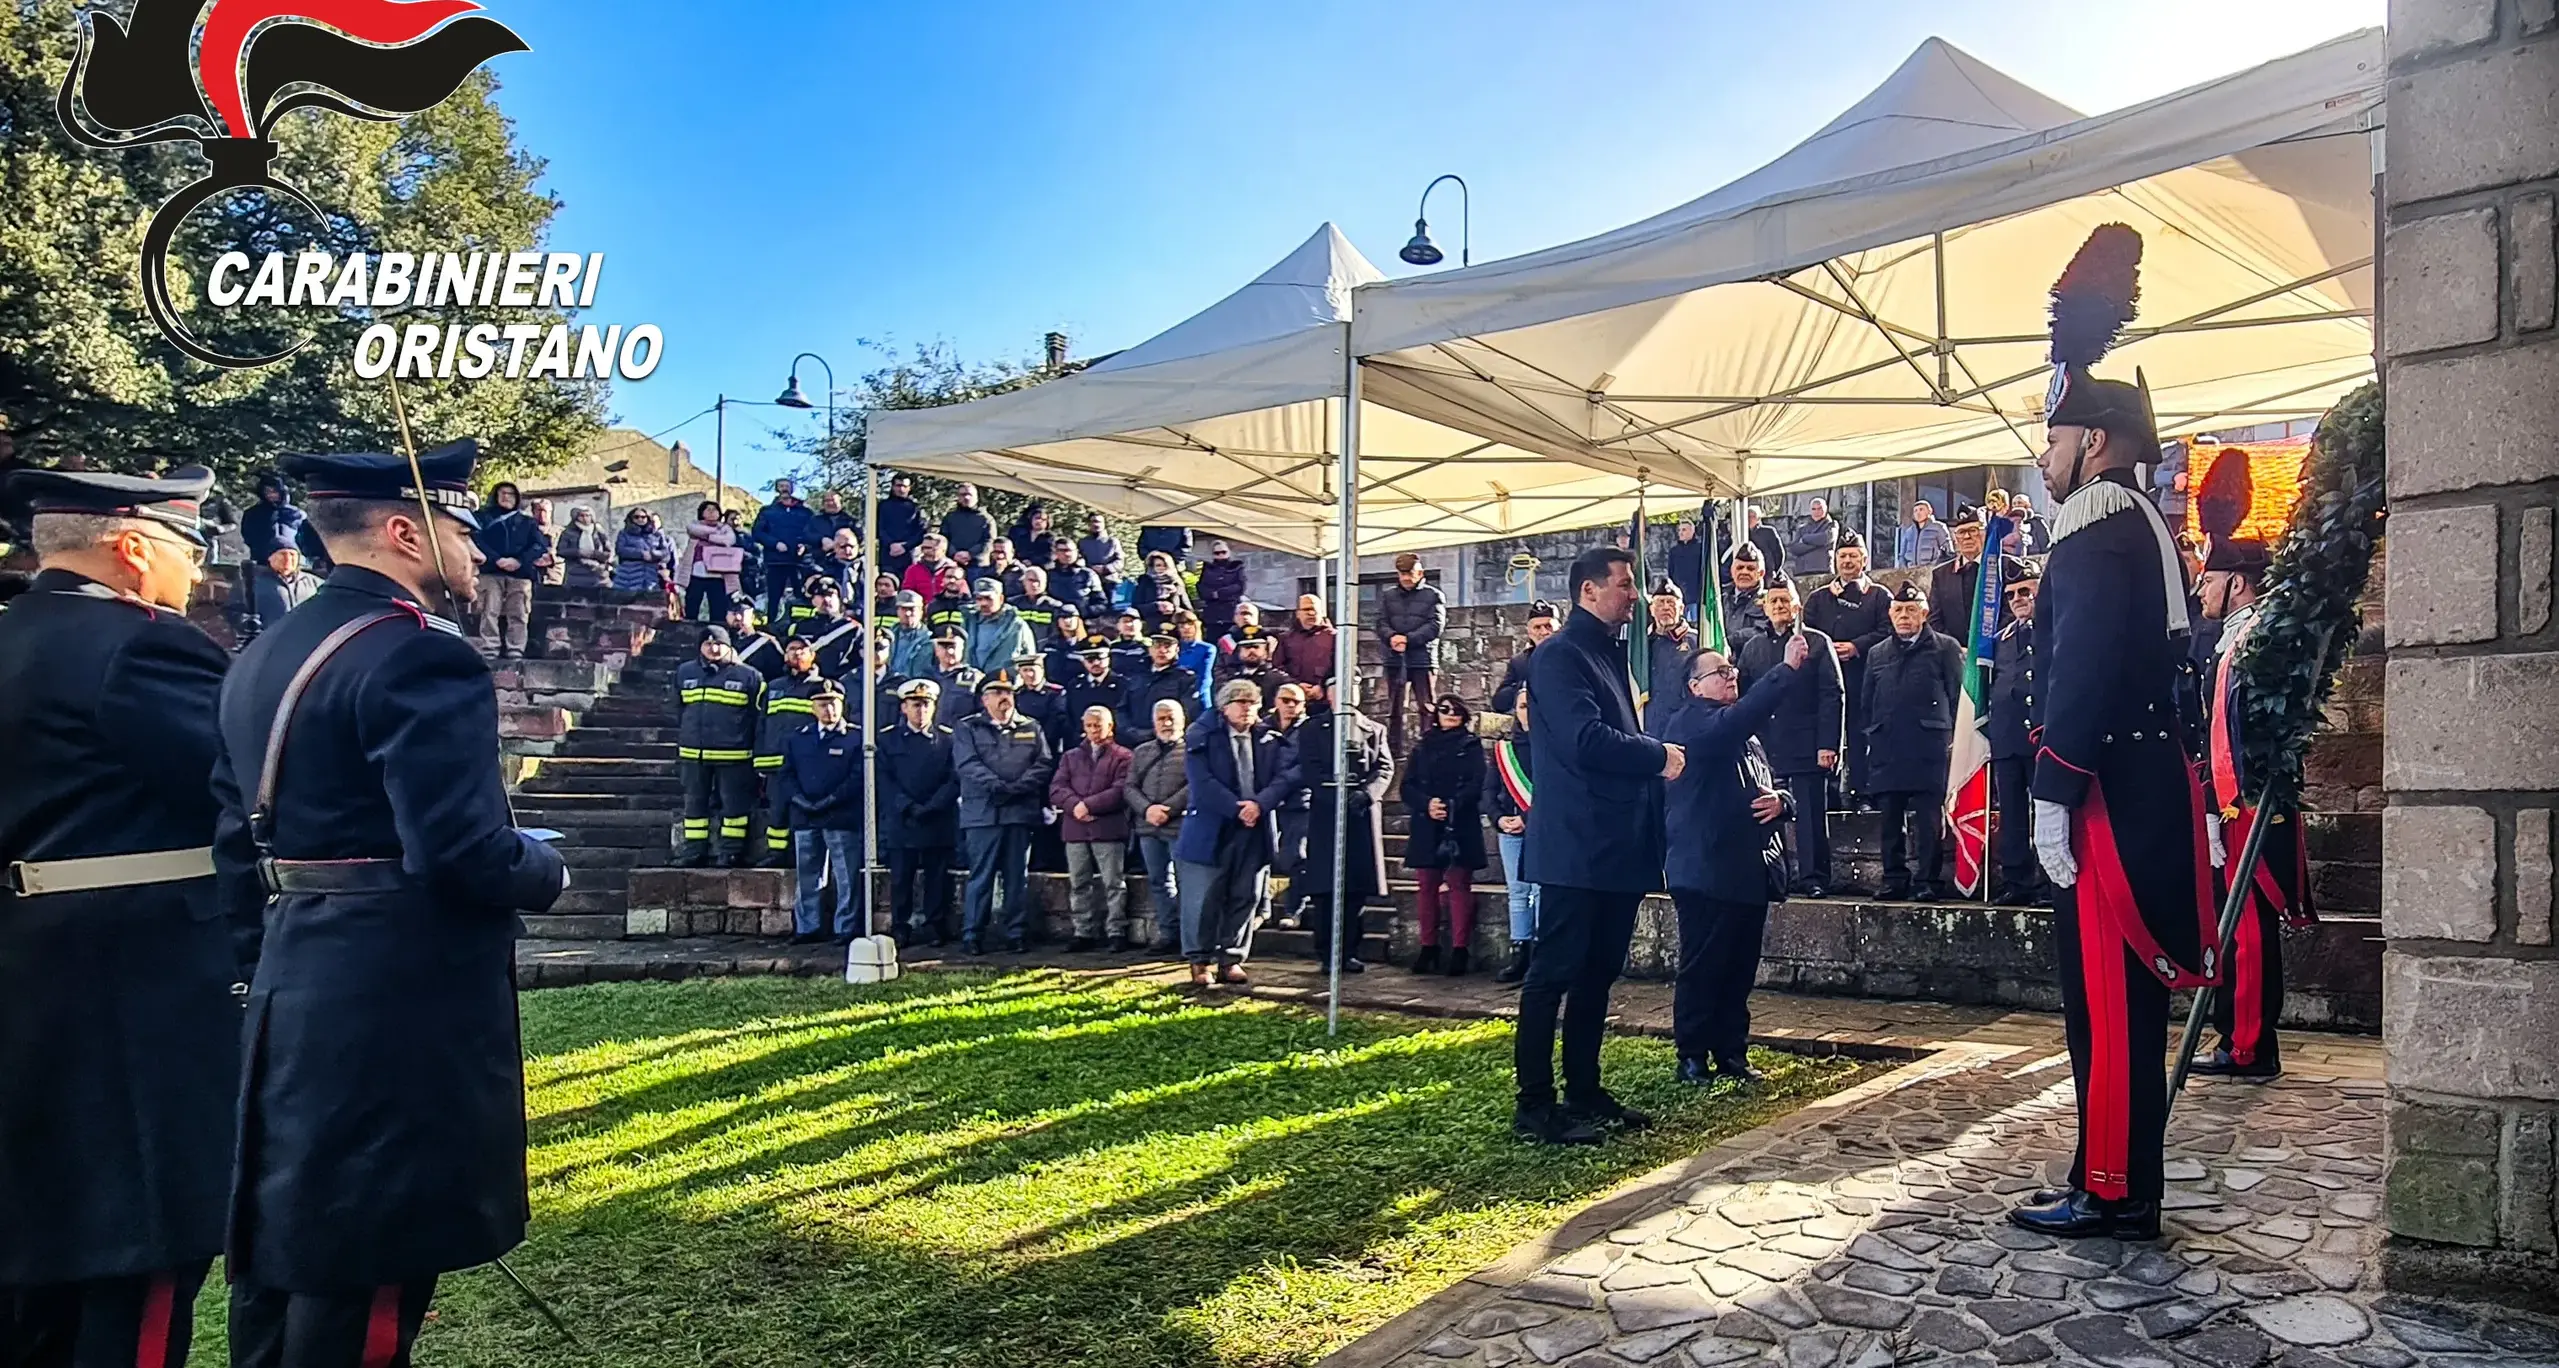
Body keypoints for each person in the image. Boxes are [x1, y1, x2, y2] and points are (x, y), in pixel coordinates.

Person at [210, 441, 566, 1367]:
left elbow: (231, 842)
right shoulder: (416, 658)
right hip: (391, 994)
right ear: (405, 531)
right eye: (461, 528)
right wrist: (543, 868)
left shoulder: (263, 654)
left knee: (290, 1242)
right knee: (369, 1257)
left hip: (296, 968)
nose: (477, 551)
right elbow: (459, 853)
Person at [0, 465, 255, 1368]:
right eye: (191, 549)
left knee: (40, 1245)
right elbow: (243, 788)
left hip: (32, 967)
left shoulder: (14, 635)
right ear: (135, 548)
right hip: (133, 984)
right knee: (142, 1243)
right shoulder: (142, 644)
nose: (198, 572)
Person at [2012, 235, 2214, 1240]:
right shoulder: (2136, 520)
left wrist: (2054, 786)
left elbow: (2085, 667)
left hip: (2106, 790)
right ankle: (2115, 1175)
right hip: (2138, 780)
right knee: (2115, 1000)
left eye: (2051, 442)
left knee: (2108, 996)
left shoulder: (2095, 520)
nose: (2043, 462)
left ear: (2091, 442)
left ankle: (2113, 1186)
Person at [1516, 545, 1678, 1146]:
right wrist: (1659, 755)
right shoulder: (1560, 655)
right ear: (1589, 591)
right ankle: (1534, 1104)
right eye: (1625, 585)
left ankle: (1583, 1088)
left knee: (1597, 975)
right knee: (1553, 974)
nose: (1634, 594)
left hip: (1614, 845)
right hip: (1575, 846)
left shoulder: (1606, 651)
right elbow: (1588, 740)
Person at [1658, 636, 1811, 1085]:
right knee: (1704, 965)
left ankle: (1731, 1052)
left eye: (1732, 670)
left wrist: (1784, 802)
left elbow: (1768, 783)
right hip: (1705, 868)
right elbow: (1737, 720)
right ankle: (1692, 1054)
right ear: (1694, 686)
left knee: (1739, 967)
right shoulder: (1690, 724)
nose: (1732, 676)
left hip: (1748, 868)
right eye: (1720, 672)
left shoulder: (1744, 735)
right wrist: (1784, 670)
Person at [2192, 529, 2307, 1081]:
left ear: (2236, 582)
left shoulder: (2258, 638)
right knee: (2232, 923)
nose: (2201, 590)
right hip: (2229, 796)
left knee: (2249, 926)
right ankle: (2237, 1033)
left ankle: (2249, 1045)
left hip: (2252, 798)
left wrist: (2228, 800)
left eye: (2209, 580)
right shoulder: (2234, 639)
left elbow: (2259, 730)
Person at [1172, 679, 1294, 988]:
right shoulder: (1202, 734)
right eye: (1241, 702)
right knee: (1204, 898)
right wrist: (1237, 808)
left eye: (1253, 703)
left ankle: (1232, 958)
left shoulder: (1268, 737)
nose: (1248, 709)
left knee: (1247, 894)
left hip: (1255, 829)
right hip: (1214, 828)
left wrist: (1260, 804)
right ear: (1224, 707)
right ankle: (1200, 960)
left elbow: (1285, 777)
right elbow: (1202, 782)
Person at [1735, 580, 1844, 896]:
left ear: (1797, 606)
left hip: (1808, 744)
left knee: (1809, 816)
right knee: (1769, 812)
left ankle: (1813, 878)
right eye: (1774, 601)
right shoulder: (1754, 648)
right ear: (1765, 608)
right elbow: (1745, 698)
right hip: (1768, 746)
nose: (1780, 606)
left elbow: (1832, 694)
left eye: (1785, 600)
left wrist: (1828, 744)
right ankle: (1776, 875)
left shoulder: (1817, 642)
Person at [1283, 679, 1393, 974]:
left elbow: (1384, 767)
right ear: (1330, 696)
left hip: (1360, 817)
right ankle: (1327, 953)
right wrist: (1335, 795)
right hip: (1326, 816)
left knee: (1354, 890)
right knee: (1325, 888)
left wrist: (1366, 794)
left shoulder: (1374, 729)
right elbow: (1311, 767)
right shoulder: (1313, 729)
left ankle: (1350, 951)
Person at [1864, 583, 1964, 901]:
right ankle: (1894, 878)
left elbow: (1957, 694)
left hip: (1928, 748)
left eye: (1910, 610)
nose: (1904, 616)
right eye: (1898, 610)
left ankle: (1927, 881)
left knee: (1928, 820)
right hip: (1889, 747)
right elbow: (1867, 703)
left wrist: (1953, 740)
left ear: (1924, 612)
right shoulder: (1877, 653)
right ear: (1890, 614)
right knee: (1890, 819)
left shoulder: (1945, 648)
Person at [951, 675, 1054, 954]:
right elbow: (967, 764)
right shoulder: (968, 727)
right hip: (983, 814)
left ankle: (1016, 933)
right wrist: (997, 786)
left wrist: (1018, 787)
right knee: (981, 877)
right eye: (996, 692)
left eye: (1008, 691)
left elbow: (1043, 763)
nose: (1004, 697)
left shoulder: (1031, 727)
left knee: (1016, 877)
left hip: (1019, 813)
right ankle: (973, 934)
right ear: (984, 699)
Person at [774, 678, 868, 944]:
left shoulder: (855, 737)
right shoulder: (798, 738)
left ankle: (845, 927)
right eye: (823, 704)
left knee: (846, 875)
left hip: (839, 814)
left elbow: (857, 776)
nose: (829, 710)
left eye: (834, 703)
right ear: (812, 708)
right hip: (805, 815)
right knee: (808, 875)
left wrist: (831, 799)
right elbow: (786, 774)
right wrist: (799, 800)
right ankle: (808, 927)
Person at [1803, 533, 1891, 810]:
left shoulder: (1879, 596)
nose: (1848, 561)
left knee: (1861, 736)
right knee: (1828, 735)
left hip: (1864, 678)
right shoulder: (1818, 599)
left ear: (1864, 559)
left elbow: (1888, 632)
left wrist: (1856, 646)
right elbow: (1806, 634)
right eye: (1843, 556)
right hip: (1826, 681)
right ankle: (1831, 795)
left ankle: (1863, 794)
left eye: (1853, 555)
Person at [1403, 694, 1488, 976]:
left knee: (1458, 883)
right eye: (1444, 710)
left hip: (1458, 823)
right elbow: (1408, 786)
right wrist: (1427, 805)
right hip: (1427, 822)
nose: (1450, 714)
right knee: (1426, 885)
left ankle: (1460, 949)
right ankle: (1428, 947)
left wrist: (1451, 806)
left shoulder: (1471, 745)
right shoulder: (1423, 746)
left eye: (1455, 710)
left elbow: (1477, 782)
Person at [675, 625, 766, 867]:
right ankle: (694, 851)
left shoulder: (750, 676)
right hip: (694, 755)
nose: (714, 649)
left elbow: (759, 719)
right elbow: (677, 709)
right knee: (694, 806)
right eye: (708, 644)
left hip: (734, 755)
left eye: (719, 644)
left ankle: (731, 852)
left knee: (734, 807)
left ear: (729, 646)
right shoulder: (685, 672)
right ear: (700, 647)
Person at [878, 678, 959, 945]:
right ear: (904, 708)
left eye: (926, 705)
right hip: (904, 821)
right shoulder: (888, 739)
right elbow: (883, 778)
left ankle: (934, 925)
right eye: (915, 705)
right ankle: (901, 925)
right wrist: (908, 806)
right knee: (902, 878)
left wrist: (933, 806)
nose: (921, 710)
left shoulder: (948, 740)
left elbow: (954, 778)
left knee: (937, 878)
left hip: (937, 819)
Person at [1986, 561, 2046, 907]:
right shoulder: (2002, 638)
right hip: (2007, 737)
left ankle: (2048, 881)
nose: (2018, 599)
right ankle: (2016, 879)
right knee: (2011, 812)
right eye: (2010, 595)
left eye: (2025, 591)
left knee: (2047, 811)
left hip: (2040, 734)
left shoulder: (2051, 629)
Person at [1051, 706, 1135, 951]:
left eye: (1099, 724)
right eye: (1089, 725)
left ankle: (1117, 931)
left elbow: (1121, 790)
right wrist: (1074, 805)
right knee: (1079, 883)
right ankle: (1083, 932)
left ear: (1111, 726)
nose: (1093, 730)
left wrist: (1087, 806)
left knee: (1114, 883)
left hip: (1108, 828)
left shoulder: (1124, 757)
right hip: (1075, 830)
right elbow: (1056, 788)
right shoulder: (1070, 756)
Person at [755, 636, 828, 864]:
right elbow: (762, 724)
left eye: (802, 650)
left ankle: (804, 856)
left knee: (804, 810)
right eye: (791, 649)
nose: (796, 654)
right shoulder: (774, 687)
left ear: (812, 655)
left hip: (809, 764)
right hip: (776, 761)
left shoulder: (824, 687)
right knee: (777, 811)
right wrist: (760, 757)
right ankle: (776, 853)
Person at [1125, 699, 1191, 950]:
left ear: (1182, 720)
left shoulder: (1192, 749)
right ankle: (1168, 933)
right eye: (1161, 718)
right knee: (1158, 881)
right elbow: (1129, 786)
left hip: (1179, 825)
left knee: (1186, 883)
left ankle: (1189, 937)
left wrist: (1169, 809)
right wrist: (1146, 809)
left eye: (1171, 717)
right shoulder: (1141, 752)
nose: (1166, 723)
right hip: (1147, 827)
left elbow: (1195, 785)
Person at [1484, 691, 1539, 985]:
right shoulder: (1503, 751)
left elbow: (1555, 790)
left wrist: (1527, 819)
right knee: (1517, 892)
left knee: (1540, 890)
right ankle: (1520, 950)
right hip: (1509, 828)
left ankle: (1542, 953)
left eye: (1531, 705)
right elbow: (1488, 791)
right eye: (1521, 706)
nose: (1526, 711)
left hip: (1541, 829)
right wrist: (1498, 818)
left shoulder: (1550, 745)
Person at [470, 480, 549, 660]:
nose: (506, 497)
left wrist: (519, 561)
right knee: (489, 611)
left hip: (520, 574)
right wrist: (496, 559)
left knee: (519, 612)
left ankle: (516, 649)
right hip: (491, 571)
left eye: (510, 494)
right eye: (503, 493)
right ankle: (489, 648)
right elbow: (476, 540)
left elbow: (539, 545)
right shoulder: (482, 517)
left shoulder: (527, 522)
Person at [1376, 552, 1446, 752]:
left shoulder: (1434, 595)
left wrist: (1409, 639)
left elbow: (1435, 626)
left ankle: (1428, 748)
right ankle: (1393, 749)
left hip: (1423, 658)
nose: (1406, 578)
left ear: (1420, 573)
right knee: (1395, 708)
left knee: (1427, 707)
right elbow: (1380, 622)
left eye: (1410, 573)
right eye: (1402, 573)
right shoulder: (1388, 596)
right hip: (1395, 658)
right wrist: (1391, 638)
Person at [238, 470, 310, 635]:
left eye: (274, 491)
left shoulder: (296, 514)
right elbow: (248, 535)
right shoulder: (253, 514)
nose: (271, 495)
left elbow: (305, 538)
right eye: (267, 492)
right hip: (263, 564)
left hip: (294, 565)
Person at [751, 477, 819, 621]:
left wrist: (804, 546)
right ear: (776, 489)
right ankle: (771, 627)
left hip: (800, 562)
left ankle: (802, 625)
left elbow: (813, 533)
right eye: (780, 486)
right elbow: (757, 533)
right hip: (775, 562)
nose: (784, 489)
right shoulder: (767, 512)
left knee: (803, 596)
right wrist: (775, 544)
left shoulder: (806, 512)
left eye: (787, 486)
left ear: (792, 489)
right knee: (774, 597)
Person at [1929, 505, 1991, 641]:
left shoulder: (2002, 567)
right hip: (1955, 653)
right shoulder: (1941, 574)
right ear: (1955, 538)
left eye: (1973, 531)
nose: (1967, 537)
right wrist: (1955, 647)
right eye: (1961, 532)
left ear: (1985, 533)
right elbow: (1934, 619)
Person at [1492, 600, 1560, 713]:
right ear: (1529, 632)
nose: (1543, 632)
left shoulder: (1574, 655)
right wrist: (1525, 684)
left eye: (1548, 626)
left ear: (1559, 629)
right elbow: (1499, 703)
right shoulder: (1520, 662)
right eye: (1537, 627)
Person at [1133, 630, 1201, 742]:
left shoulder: (1185, 678)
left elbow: (1189, 711)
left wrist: (1155, 731)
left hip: (1167, 738)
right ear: (1150, 649)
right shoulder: (1138, 675)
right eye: (1157, 646)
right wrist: (1130, 732)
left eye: (1167, 646)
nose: (1162, 650)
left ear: (1177, 650)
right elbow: (1122, 708)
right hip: (1132, 739)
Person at [962, 577, 1036, 676]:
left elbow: (1029, 659)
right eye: (979, 599)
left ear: (1001, 599)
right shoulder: (967, 623)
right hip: (972, 684)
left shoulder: (1016, 625)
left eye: (989, 598)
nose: (984, 603)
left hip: (1003, 684)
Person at [1064, 641, 1133, 746]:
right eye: (1090, 660)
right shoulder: (1074, 685)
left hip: (1114, 743)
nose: (1095, 663)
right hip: (1082, 743)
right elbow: (1070, 716)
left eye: (1100, 658)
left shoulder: (1123, 684)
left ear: (1108, 659)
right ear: (1083, 662)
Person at [1644, 582, 1696, 703]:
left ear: (1681, 609)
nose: (1666, 607)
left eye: (1671, 603)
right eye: (1660, 602)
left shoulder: (1696, 640)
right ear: (1651, 609)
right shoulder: (1644, 644)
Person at [924, 626, 985, 730]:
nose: (950, 652)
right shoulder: (925, 677)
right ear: (936, 649)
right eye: (944, 646)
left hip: (961, 739)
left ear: (963, 648)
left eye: (953, 646)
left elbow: (983, 714)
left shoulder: (975, 679)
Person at [1276, 592, 1337, 690]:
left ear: (1322, 613)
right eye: (1306, 609)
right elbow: (1277, 668)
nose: (1311, 613)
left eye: (1315, 610)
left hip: (1326, 698)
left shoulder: (1335, 637)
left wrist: (1322, 687)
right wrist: (1295, 685)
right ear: (1298, 614)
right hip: (1293, 698)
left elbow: (1342, 667)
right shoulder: (1286, 639)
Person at [1721, 546, 1775, 646]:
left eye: (1750, 569)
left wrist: (1729, 641)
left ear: (1761, 573)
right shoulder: (1719, 599)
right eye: (1739, 568)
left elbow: (1766, 630)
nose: (1744, 572)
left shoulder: (1771, 601)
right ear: (1732, 572)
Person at [874, 473, 926, 576]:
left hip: (909, 556)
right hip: (887, 554)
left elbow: (922, 531)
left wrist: (905, 546)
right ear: (893, 487)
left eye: (905, 486)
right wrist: (890, 544)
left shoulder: (916, 508)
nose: (901, 489)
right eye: (898, 486)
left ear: (909, 488)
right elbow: (878, 528)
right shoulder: (882, 506)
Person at [613, 506, 673, 594]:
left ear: (648, 518)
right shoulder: (624, 533)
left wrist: (653, 554)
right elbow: (620, 550)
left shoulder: (657, 534)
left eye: (643, 517)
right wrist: (641, 554)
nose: (640, 519)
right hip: (629, 574)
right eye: (636, 517)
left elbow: (665, 553)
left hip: (651, 574)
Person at [1170, 609, 1219, 711]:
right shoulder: (1173, 647)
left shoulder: (1208, 648)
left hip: (1197, 693)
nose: (1186, 628)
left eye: (1190, 624)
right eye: (1182, 625)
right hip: (1175, 692)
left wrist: (1198, 691)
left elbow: (1206, 674)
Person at [1131, 549, 1191, 633]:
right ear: (1153, 566)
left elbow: (1187, 608)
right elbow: (1136, 607)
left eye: (1164, 565)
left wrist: (1174, 609)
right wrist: (1157, 606)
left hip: (1175, 626)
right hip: (1152, 626)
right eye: (1158, 565)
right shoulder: (1145, 582)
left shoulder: (1177, 583)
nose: (1161, 568)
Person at [1194, 540, 1247, 635]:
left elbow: (1240, 586)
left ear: (1229, 552)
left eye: (1224, 552)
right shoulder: (1207, 568)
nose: (1221, 555)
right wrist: (1212, 594)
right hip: (1212, 613)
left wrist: (1219, 593)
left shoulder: (1237, 567)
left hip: (1231, 610)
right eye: (1217, 553)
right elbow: (1201, 587)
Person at [1046, 539, 1107, 621]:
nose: (1067, 554)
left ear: (1077, 552)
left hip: (1080, 621)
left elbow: (1101, 603)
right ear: (1056, 553)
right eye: (1062, 550)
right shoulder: (1048, 574)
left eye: (1070, 550)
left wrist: (1085, 612)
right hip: (1053, 620)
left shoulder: (1088, 575)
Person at [558, 502, 614, 590]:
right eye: (582, 516)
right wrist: (579, 552)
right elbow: (561, 551)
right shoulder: (568, 532)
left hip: (598, 573)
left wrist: (604, 559)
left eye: (588, 515)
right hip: (576, 573)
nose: (585, 519)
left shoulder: (598, 531)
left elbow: (609, 550)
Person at [725, 600, 786, 679]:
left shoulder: (765, 643)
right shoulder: (718, 641)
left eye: (742, 613)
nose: (738, 617)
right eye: (734, 613)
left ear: (752, 617)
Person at [939, 483, 995, 565]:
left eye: (969, 494)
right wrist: (953, 553)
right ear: (958, 497)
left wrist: (971, 554)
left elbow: (989, 541)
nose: (966, 498)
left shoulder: (987, 519)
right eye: (963, 495)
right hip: (952, 562)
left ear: (976, 497)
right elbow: (943, 538)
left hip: (977, 564)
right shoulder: (950, 517)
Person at [1010, 564, 1068, 643]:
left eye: (1038, 581)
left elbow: (1057, 634)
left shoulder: (1055, 606)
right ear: (1023, 582)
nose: (1034, 585)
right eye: (1031, 580)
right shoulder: (1013, 604)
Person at [884, 590, 934, 678]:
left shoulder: (929, 640)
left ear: (921, 612)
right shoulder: (887, 638)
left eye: (912, 609)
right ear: (897, 611)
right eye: (903, 609)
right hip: (887, 685)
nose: (907, 613)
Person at [1787, 497, 1839, 581]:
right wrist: (1817, 545)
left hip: (1823, 569)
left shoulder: (1831, 525)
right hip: (1802, 570)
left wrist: (1805, 539)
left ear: (1825, 509)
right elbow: (1794, 548)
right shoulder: (1802, 528)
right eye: (1814, 509)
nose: (1816, 512)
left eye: (1819, 508)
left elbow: (1825, 539)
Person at [1895, 498, 1953, 569]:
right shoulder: (1909, 532)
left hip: (1932, 571)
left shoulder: (1938, 527)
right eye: (1915, 511)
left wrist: (1936, 567)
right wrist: (1904, 569)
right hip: (1911, 572)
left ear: (1930, 511)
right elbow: (1902, 555)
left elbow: (1948, 552)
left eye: (1921, 509)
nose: (1918, 513)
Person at [1666, 519, 1707, 611]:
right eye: (1679, 530)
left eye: (1684, 530)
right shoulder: (1674, 551)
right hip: (1679, 594)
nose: (1681, 533)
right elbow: (1671, 572)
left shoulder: (1700, 549)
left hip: (1696, 595)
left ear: (1692, 531)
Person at [1078, 511, 1126, 589]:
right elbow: (1079, 559)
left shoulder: (1113, 541)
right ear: (1089, 524)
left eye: (1099, 522)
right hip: (1089, 581)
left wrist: (1105, 569)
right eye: (1093, 521)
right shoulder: (1083, 542)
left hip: (1109, 581)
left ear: (1104, 524)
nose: (1096, 524)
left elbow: (1120, 561)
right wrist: (1090, 568)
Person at [900, 532, 954, 599]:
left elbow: (962, 593)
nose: (925, 551)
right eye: (923, 548)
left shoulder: (953, 569)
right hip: (920, 607)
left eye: (929, 548)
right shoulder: (913, 570)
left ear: (942, 550)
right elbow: (907, 593)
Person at [1008, 502, 1057, 566]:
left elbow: (1050, 556)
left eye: (1043, 519)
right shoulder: (1022, 535)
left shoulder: (1050, 537)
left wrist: (1032, 561)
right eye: (1037, 518)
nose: (1039, 521)